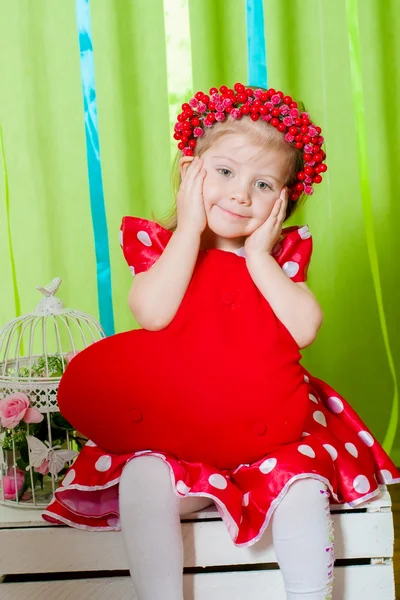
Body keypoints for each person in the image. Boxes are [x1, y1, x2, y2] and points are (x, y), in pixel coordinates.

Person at [43, 83, 400, 600]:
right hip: (177, 441)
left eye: (262, 185)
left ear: (284, 200)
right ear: (191, 172)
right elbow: (152, 311)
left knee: (302, 486)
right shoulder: (164, 249)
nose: (240, 194)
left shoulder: (277, 262)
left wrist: (258, 257)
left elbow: (304, 327)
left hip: (267, 439)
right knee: (144, 477)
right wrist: (188, 231)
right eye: (226, 173)